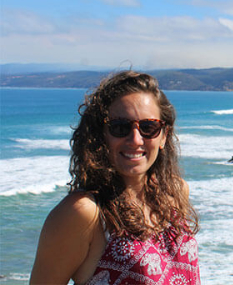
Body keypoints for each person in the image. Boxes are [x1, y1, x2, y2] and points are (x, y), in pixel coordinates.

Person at [30, 71, 200, 285]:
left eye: (149, 127)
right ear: (100, 135)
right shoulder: (85, 213)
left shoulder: (175, 192)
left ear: (163, 135)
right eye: (120, 127)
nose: (136, 139)